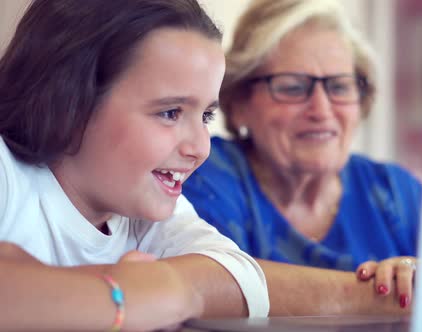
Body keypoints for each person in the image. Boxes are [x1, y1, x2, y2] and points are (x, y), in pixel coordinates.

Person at [0, 0, 270, 330]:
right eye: (170, 113)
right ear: (69, 101)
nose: (201, 148)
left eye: (206, 116)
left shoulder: (143, 212)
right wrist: (125, 295)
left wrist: (169, 289)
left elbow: (243, 279)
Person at [183, 0, 422, 310]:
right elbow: (202, 286)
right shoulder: (206, 176)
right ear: (239, 102)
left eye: (339, 86)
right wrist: (379, 296)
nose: (321, 110)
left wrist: (421, 278)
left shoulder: (398, 192)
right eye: (292, 87)